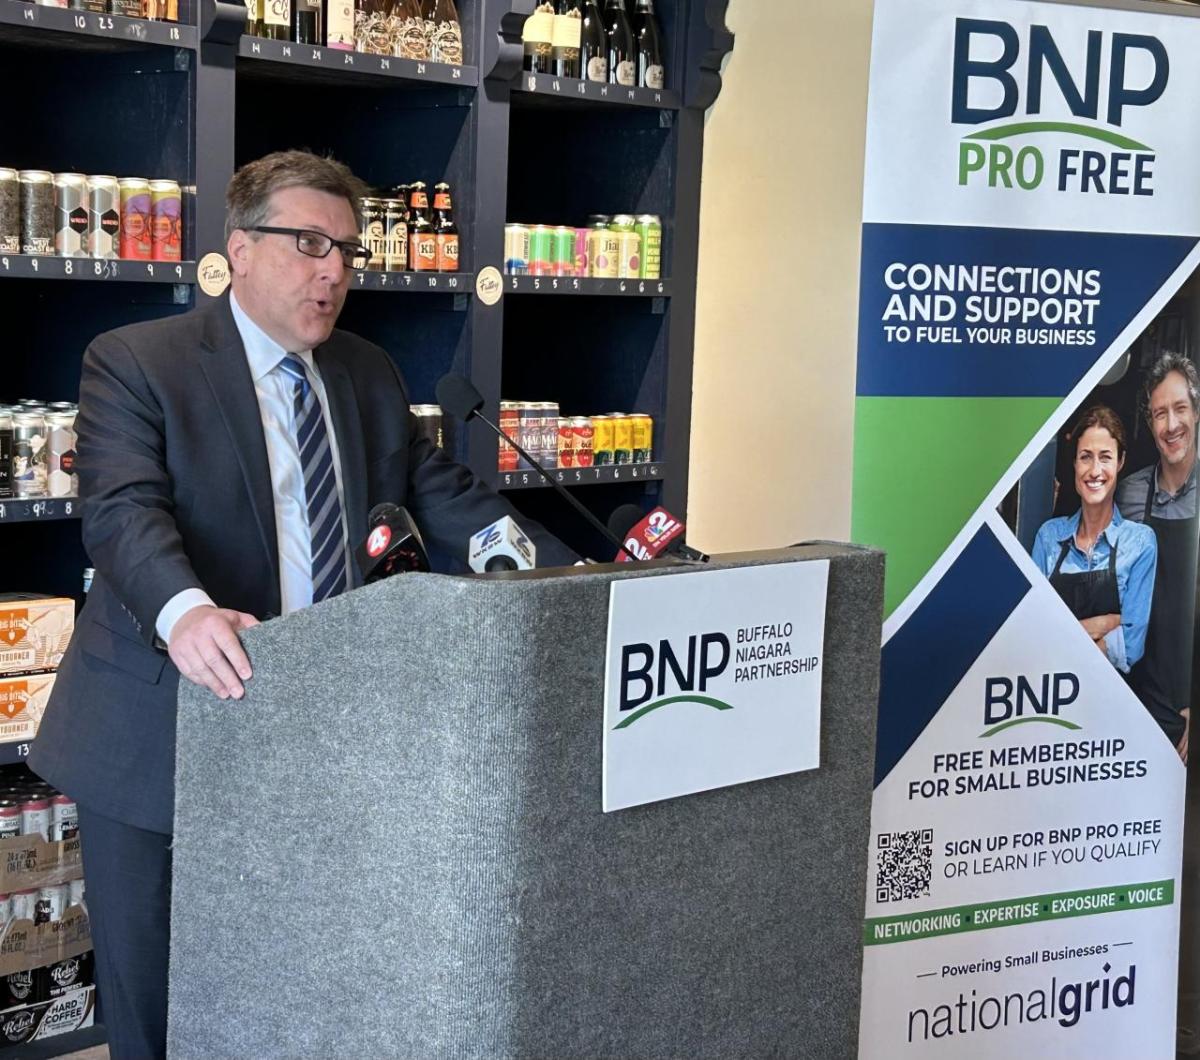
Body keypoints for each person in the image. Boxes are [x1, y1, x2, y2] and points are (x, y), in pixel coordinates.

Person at [28, 151, 577, 1059]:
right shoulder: (135, 360)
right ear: (240, 251)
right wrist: (187, 612)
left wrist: (577, 576)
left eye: (349, 252)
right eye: (310, 243)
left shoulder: (365, 372)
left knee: (299, 983)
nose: (334, 270)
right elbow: (123, 511)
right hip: (165, 723)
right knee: (159, 998)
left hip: (321, 733)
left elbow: (443, 496)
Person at [1116, 352, 1200, 760]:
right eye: (1159, 414)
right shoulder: (1129, 493)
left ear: (1197, 412)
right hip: (1135, 701)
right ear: (1149, 425)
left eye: (1180, 409)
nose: (1171, 425)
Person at [1032, 405, 1157, 675]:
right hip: (1051, 702)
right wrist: (1105, 624)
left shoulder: (1140, 543)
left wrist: (1060, 638)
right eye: (1086, 457)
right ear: (1074, 463)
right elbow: (1033, 635)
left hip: (1110, 705)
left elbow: (1131, 647)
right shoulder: (1048, 537)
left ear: (1120, 462)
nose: (1095, 470)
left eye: (1106, 457)